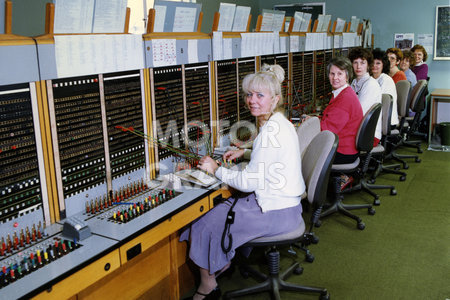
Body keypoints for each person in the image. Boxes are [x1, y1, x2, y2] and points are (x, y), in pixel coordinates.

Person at [180, 64, 305, 300]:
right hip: (287, 206)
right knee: (221, 209)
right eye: (249, 94)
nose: (252, 100)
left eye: (260, 95)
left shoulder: (270, 133)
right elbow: (271, 160)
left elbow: (247, 183)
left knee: (202, 219)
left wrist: (215, 168)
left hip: (275, 212)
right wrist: (246, 154)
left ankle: (208, 287)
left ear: (274, 99)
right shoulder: (280, 123)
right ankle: (221, 263)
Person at [320, 56, 363, 164]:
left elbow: (328, 130)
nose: (335, 78)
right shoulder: (343, 92)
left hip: (342, 151)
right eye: (332, 74)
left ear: (347, 76)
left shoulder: (345, 98)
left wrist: (308, 126)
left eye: (340, 74)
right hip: (344, 147)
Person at [349, 47, 382, 145]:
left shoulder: (370, 84)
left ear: (368, 65)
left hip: (368, 134)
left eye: (362, 63)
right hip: (358, 128)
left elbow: (358, 113)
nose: (358, 66)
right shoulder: (354, 82)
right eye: (355, 62)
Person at [371, 48, 400, 126]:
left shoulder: (385, 80)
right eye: (372, 62)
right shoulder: (371, 79)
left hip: (387, 121)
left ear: (383, 64)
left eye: (378, 63)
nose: (374, 66)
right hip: (378, 117)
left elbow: (377, 102)